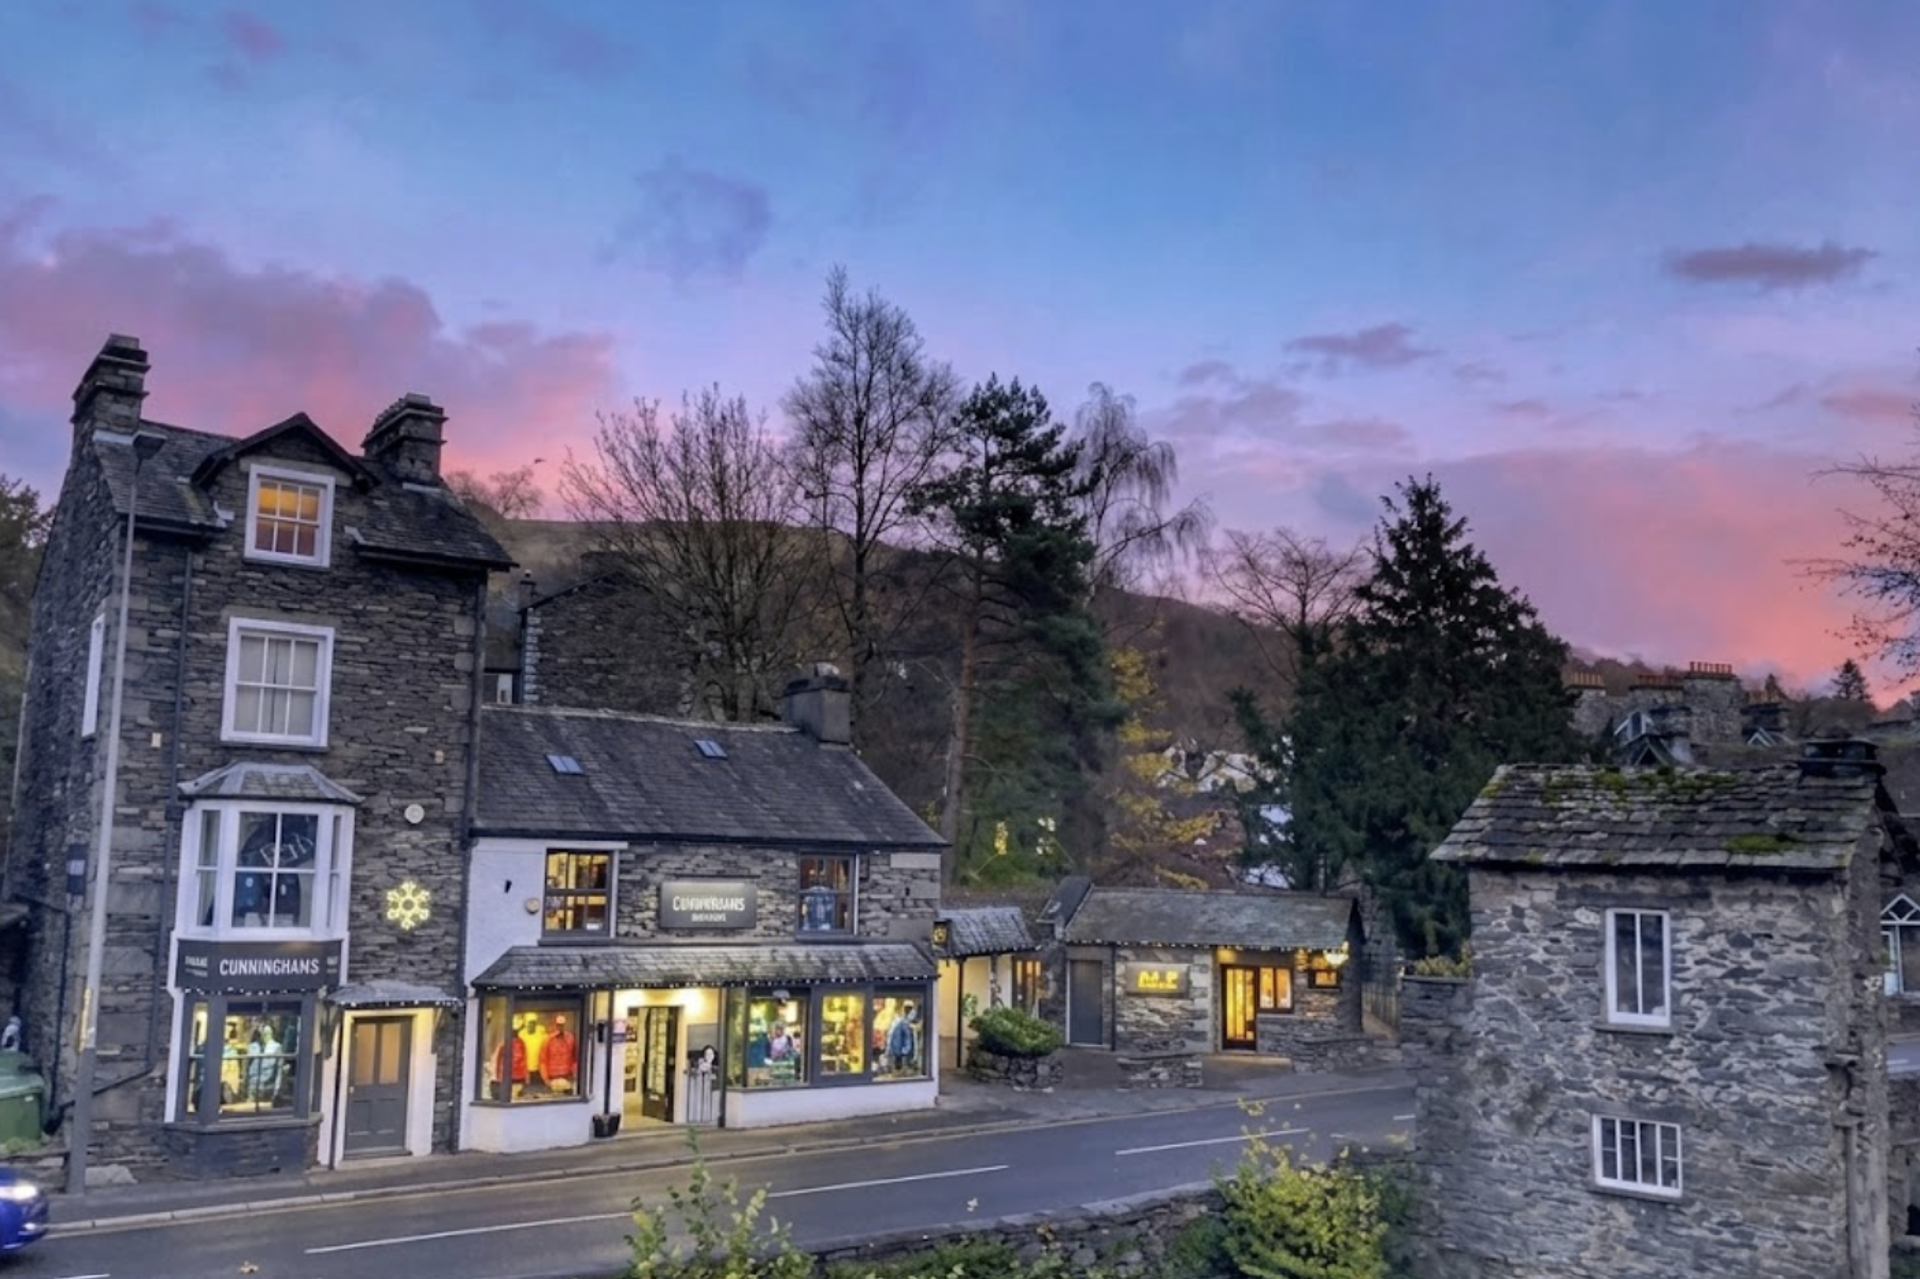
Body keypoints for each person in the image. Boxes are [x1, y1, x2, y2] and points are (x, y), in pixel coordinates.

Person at [540, 1015, 578, 1094]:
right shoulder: (548, 1040)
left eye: (562, 1025)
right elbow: (543, 1060)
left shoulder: (570, 1038)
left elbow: (575, 1058)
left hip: (567, 1078)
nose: (560, 1027)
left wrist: (574, 1075)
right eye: (558, 1025)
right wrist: (546, 1079)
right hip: (553, 1078)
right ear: (555, 1025)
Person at [887, 1003, 918, 1073]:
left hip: (898, 1050)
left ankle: (900, 1069)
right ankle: (901, 1069)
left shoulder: (899, 1021)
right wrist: (906, 1050)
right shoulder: (903, 1023)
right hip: (901, 1050)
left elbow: (905, 1038)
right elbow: (907, 1038)